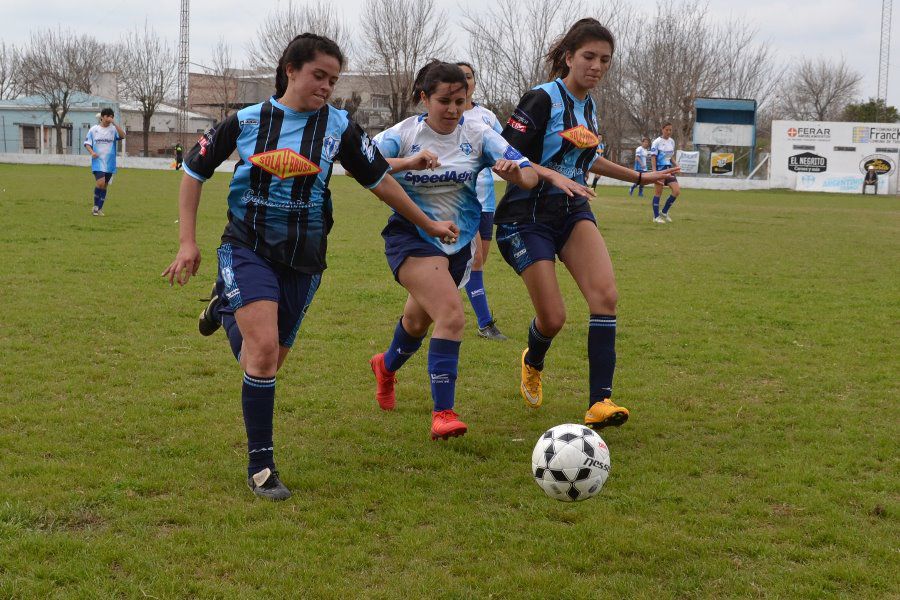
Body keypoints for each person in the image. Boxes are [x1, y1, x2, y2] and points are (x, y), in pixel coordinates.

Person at [161, 34, 458, 500]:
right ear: (290, 70)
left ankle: (224, 307)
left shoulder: (340, 127)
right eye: (319, 75)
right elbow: (195, 173)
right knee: (260, 352)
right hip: (247, 247)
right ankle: (261, 465)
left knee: (266, 361)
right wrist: (187, 242)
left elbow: (379, 180)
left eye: (333, 79)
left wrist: (428, 223)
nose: (326, 86)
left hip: (305, 260)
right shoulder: (244, 122)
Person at [496, 18, 678, 430]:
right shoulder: (541, 99)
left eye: (605, 61)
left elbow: (586, 159)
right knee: (554, 318)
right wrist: (547, 174)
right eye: (589, 57)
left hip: (573, 210)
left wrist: (640, 177)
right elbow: (504, 154)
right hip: (527, 217)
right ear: (568, 57)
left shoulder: (589, 106)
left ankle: (600, 402)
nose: (597, 66)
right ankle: (534, 359)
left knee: (605, 297)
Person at [369, 60, 537, 440]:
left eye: (460, 101)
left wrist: (515, 174)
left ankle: (386, 366)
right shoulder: (403, 134)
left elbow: (528, 173)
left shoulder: (479, 134)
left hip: (458, 244)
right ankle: (443, 413)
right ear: (424, 98)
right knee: (451, 316)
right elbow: (362, 165)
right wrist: (409, 162)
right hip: (411, 239)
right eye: (444, 100)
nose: (453, 109)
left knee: (416, 322)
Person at [455, 61, 508, 340]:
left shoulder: (487, 116)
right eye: (459, 76)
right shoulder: (447, 114)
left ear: (474, 82)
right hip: (462, 199)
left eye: (468, 76)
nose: (464, 81)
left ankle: (440, 301)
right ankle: (485, 323)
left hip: (488, 199)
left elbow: (505, 149)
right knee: (474, 261)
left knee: (477, 262)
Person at [83, 107, 126, 216]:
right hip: (98, 161)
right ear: (102, 117)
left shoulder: (113, 129)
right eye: (108, 116)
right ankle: (95, 206)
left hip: (110, 163)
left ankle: (99, 209)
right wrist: (92, 152)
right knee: (100, 183)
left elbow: (123, 136)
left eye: (112, 116)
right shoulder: (94, 129)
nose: (110, 118)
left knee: (105, 185)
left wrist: (114, 123)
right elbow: (87, 143)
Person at [650, 123, 680, 223]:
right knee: (658, 193)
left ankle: (664, 211)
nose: (668, 132)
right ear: (662, 129)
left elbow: (670, 156)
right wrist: (654, 171)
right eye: (667, 130)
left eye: (670, 130)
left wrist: (676, 166)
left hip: (669, 170)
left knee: (676, 191)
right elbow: (653, 157)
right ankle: (655, 217)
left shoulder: (672, 141)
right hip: (660, 170)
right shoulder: (656, 142)